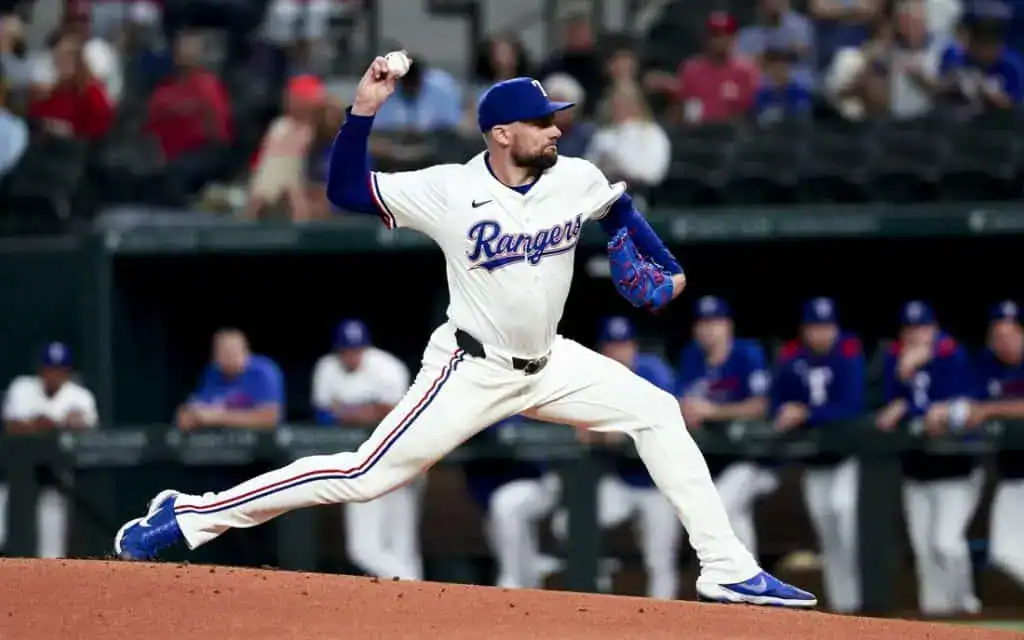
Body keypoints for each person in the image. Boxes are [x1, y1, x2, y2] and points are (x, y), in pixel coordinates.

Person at [113, 54, 815, 608]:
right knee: (361, 476)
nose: (557, 128)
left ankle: (726, 568)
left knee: (658, 412)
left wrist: (671, 275)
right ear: (504, 134)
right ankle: (190, 516)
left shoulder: (576, 176)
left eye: (556, 118)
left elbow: (633, 226)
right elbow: (347, 192)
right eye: (543, 121)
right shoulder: (449, 188)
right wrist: (362, 112)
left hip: (553, 363)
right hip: (469, 368)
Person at [876, 301, 981, 616]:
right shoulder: (895, 359)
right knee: (924, 551)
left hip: (956, 472)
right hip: (917, 472)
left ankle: (967, 607)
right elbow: (885, 411)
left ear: (934, 329)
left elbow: (956, 411)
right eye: (910, 329)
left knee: (946, 543)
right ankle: (935, 617)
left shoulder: (953, 355)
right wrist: (903, 380)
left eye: (922, 328)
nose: (916, 336)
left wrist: (910, 406)